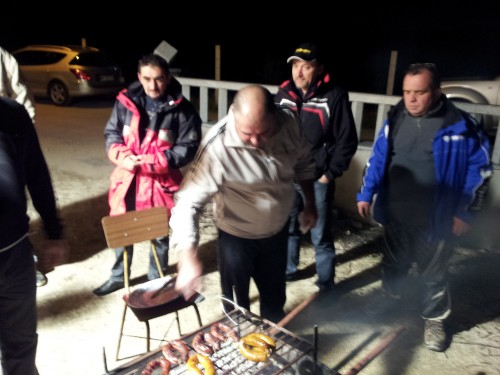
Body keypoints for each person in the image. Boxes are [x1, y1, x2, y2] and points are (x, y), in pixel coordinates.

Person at [356, 63, 493, 352]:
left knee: (433, 273)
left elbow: (479, 171)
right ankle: (390, 297)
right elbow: (378, 158)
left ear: (437, 92)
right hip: (396, 211)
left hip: (437, 218)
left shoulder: (461, 125)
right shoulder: (395, 118)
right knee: (394, 262)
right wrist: (366, 192)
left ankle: (434, 319)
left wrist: (464, 211)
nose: (411, 99)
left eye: (419, 92)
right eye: (406, 92)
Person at [170, 84, 318, 323]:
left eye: (264, 132)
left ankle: (273, 344)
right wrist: (187, 258)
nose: (256, 141)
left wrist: (310, 203)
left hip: (276, 233)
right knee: (236, 309)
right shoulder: (218, 146)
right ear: (234, 118)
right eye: (247, 133)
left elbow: (303, 164)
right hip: (236, 238)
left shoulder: (290, 123)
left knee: (274, 303)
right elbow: (187, 203)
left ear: (275, 117)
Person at [93, 53, 202, 296]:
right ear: (139, 77)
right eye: (148, 79)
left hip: (159, 184)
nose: (153, 86)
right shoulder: (125, 102)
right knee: (122, 230)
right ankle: (118, 277)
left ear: (168, 77)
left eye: (160, 79)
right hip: (127, 181)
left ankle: (157, 280)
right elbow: (112, 134)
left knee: (159, 235)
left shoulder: (183, 109)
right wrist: (123, 157)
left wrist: (152, 161)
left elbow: (188, 149)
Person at [274, 42, 358, 289]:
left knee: (319, 233)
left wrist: (329, 175)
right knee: (287, 227)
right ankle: (288, 270)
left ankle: (325, 281)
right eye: (295, 65)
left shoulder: (334, 96)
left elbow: (347, 140)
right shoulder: (282, 95)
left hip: (317, 178)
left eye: (306, 66)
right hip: (287, 178)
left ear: (319, 69)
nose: (299, 72)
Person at [0, 96, 69, 374]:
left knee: (22, 347)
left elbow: (36, 173)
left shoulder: (11, 113)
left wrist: (54, 231)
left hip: (16, 255)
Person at [0, 45, 48, 287]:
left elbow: (20, 91)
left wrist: (24, 134)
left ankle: (26, 261)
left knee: (14, 208)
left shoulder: (2, 56)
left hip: (7, 138)